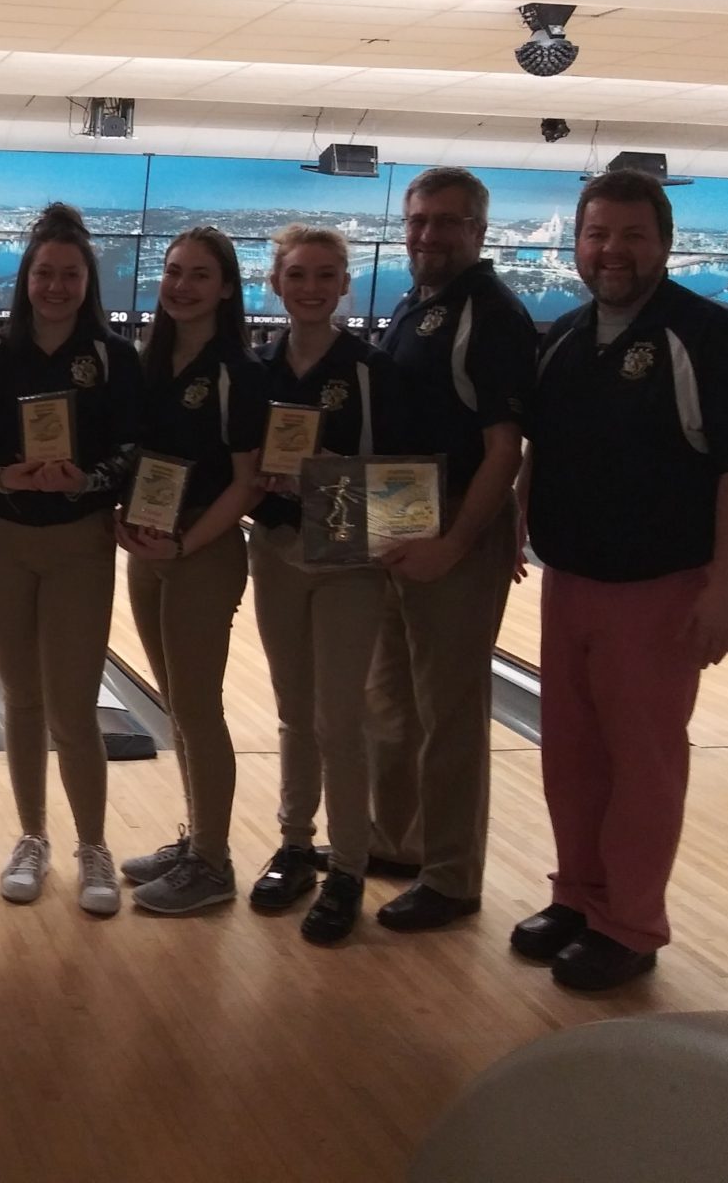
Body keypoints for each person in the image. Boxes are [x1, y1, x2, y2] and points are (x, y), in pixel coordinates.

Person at [514, 169, 728, 991]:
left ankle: (629, 923)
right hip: (571, 582)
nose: (613, 252)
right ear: (577, 243)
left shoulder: (708, 338)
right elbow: (540, 449)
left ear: (665, 243)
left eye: (632, 235)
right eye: (599, 235)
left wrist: (724, 589)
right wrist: (520, 526)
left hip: (660, 590)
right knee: (570, 757)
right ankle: (577, 897)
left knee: (643, 764)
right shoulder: (563, 335)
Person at [0, 203, 142, 916]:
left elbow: (130, 451)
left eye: (69, 274)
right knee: (22, 697)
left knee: (72, 702)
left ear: (87, 281)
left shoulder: (116, 359)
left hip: (80, 541)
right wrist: (8, 476)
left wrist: (87, 481)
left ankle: (91, 845)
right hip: (2, 534)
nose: (56, 286)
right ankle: (31, 836)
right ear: (25, 278)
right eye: (43, 272)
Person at [366, 166, 537, 931]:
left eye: (447, 222)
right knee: (393, 700)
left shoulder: (490, 313)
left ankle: (451, 874)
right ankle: (400, 841)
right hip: (397, 517)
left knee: (449, 712)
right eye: (419, 221)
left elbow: (505, 447)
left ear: (478, 230)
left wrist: (458, 542)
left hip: (453, 534)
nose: (429, 234)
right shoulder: (419, 301)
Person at [244, 224, 407, 945]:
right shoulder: (258, 370)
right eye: (298, 275)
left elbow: (408, 493)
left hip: (347, 559)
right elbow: (238, 471)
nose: (311, 287)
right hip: (276, 549)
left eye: (326, 275)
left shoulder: (374, 371)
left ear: (346, 285)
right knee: (292, 710)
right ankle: (294, 845)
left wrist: (331, 471)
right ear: (276, 284)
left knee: (339, 720)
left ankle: (346, 867)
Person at [115, 227, 266, 916]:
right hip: (152, 550)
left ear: (226, 288)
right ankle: (196, 838)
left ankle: (213, 860)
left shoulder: (235, 370)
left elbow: (247, 484)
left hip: (200, 551)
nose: (181, 285)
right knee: (177, 703)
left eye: (200, 275)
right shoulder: (150, 362)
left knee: (199, 708)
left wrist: (186, 544)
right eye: (174, 272)